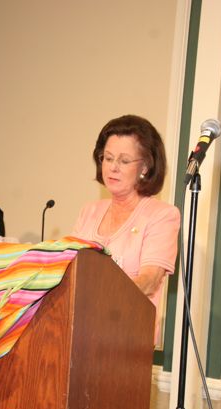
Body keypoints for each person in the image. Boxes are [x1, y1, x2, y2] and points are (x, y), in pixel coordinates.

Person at [72, 114, 180, 331]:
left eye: (123, 161)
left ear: (145, 167)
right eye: (108, 158)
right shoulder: (89, 211)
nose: (112, 167)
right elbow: (70, 272)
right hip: (80, 332)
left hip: (128, 338)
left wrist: (98, 303)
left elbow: (149, 280)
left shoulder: (162, 215)